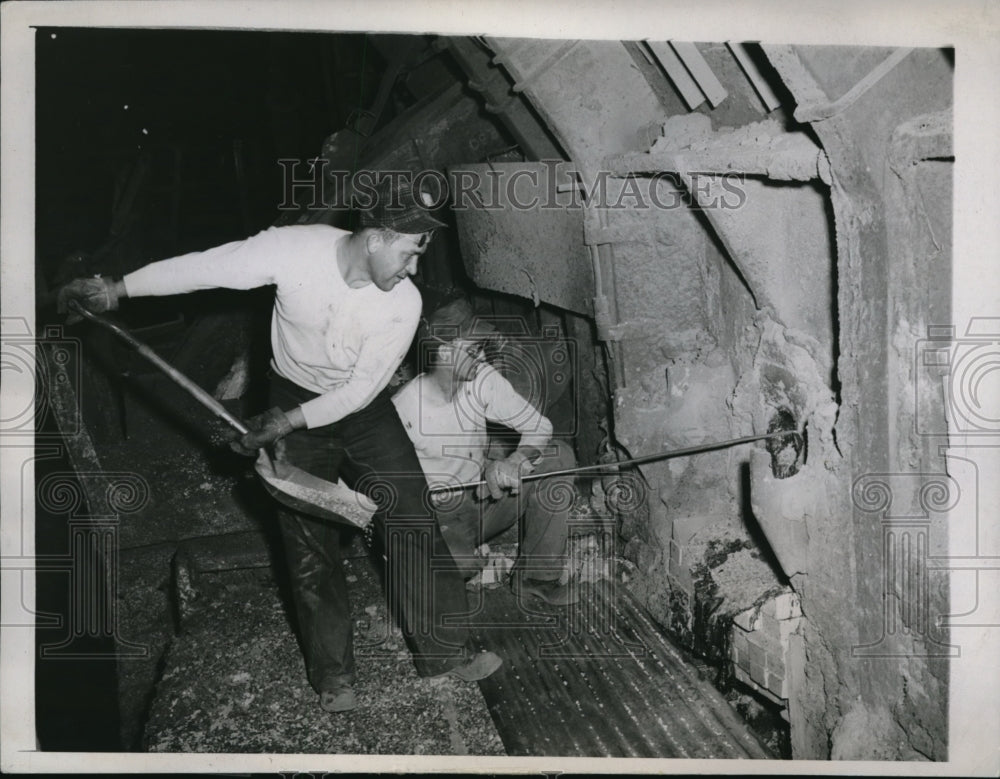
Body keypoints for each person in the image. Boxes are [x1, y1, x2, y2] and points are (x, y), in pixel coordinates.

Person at [56, 177, 502, 714]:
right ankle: (335, 677)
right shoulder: (293, 250)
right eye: (411, 251)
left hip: (362, 411)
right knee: (310, 540)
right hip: (293, 389)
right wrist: (118, 289)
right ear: (379, 237)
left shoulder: (402, 305)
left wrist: (282, 422)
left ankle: (444, 653)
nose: (414, 269)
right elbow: (206, 267)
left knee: (412, 514)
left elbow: (360, 392)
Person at [391, 297, 580, 606]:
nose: (482, 355)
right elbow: (381, 494)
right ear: (445, 352)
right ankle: (449, 566)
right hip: (437, 517)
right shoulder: (406, 408)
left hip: (483, 498)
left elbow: (540, 427)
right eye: (473, 349)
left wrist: (516, 459)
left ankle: (535, 577)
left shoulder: (482, 379)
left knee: (558, 456)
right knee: (450, 573)